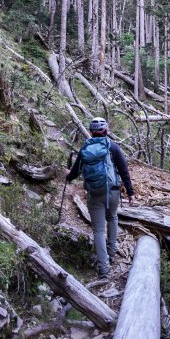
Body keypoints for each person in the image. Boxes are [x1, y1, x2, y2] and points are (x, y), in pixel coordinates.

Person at [66, 117, 134, 277]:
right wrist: (130, 192)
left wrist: (67, 177)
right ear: (106, 130)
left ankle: (103, 269)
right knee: (112, 218)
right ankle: (111, 253)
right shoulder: (113, 147)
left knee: (98, 230)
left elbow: (75, 172)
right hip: (113, 191)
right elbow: (124, 171)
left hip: (94, 193)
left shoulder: (85, 148)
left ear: (91, 131)